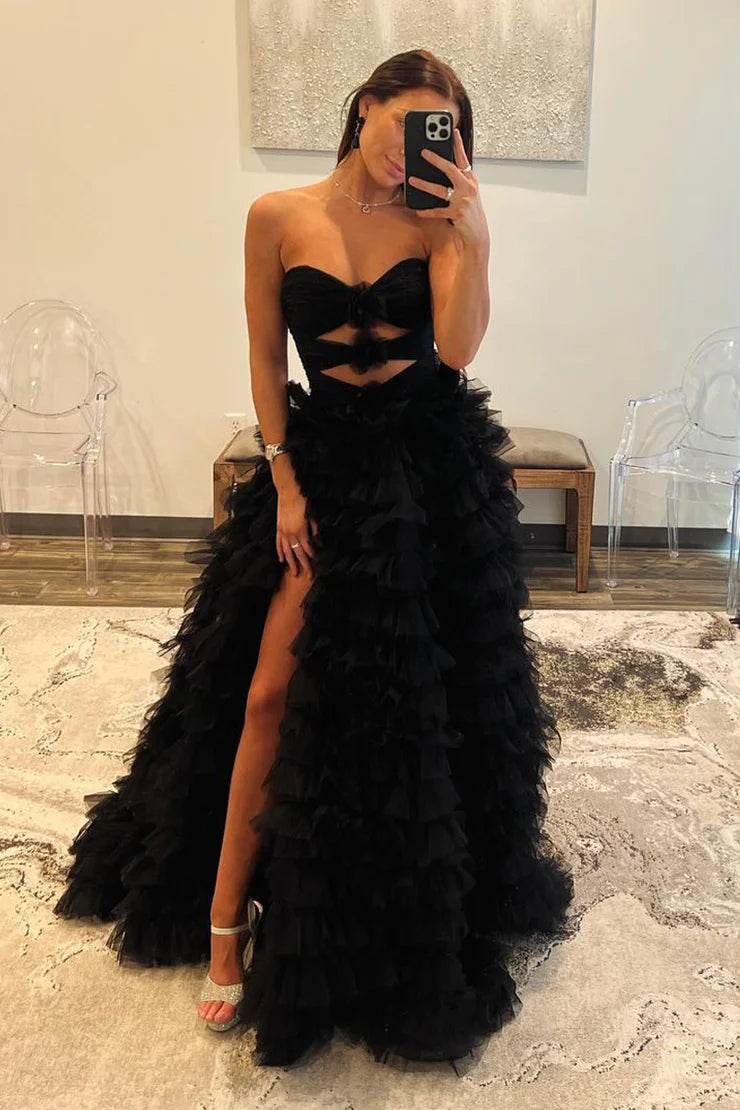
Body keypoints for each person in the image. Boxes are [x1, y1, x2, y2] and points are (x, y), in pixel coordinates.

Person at [53, 48, 574, 1073]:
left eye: (437, 134)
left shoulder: (437, 219)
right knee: (263, 693)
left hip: (424, 470)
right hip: (322, 467)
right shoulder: (276, 216)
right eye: (405, 125)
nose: (412, 152)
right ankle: (222, 915)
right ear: (365, 107)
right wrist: (285, 482)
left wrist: (472, 236)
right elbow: (263, 357)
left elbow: (458, 350)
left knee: (427, 701)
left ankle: (401, 891)